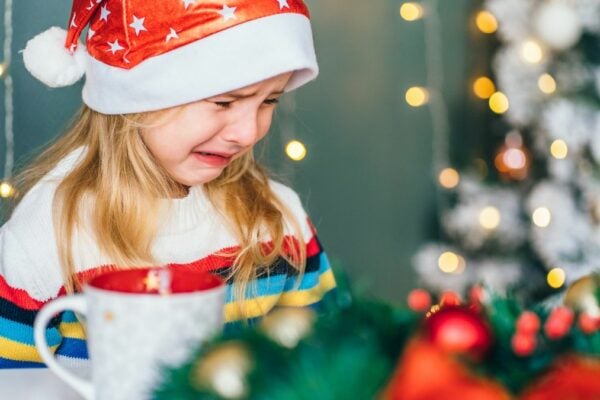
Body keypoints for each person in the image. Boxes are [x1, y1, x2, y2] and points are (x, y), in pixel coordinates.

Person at [0, 0, 336, 377]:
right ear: (135, 97)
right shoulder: (50, 231)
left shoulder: (277, 218)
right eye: (224, 101)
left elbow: (335, 358)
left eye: (270, 100)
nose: (247, 133)